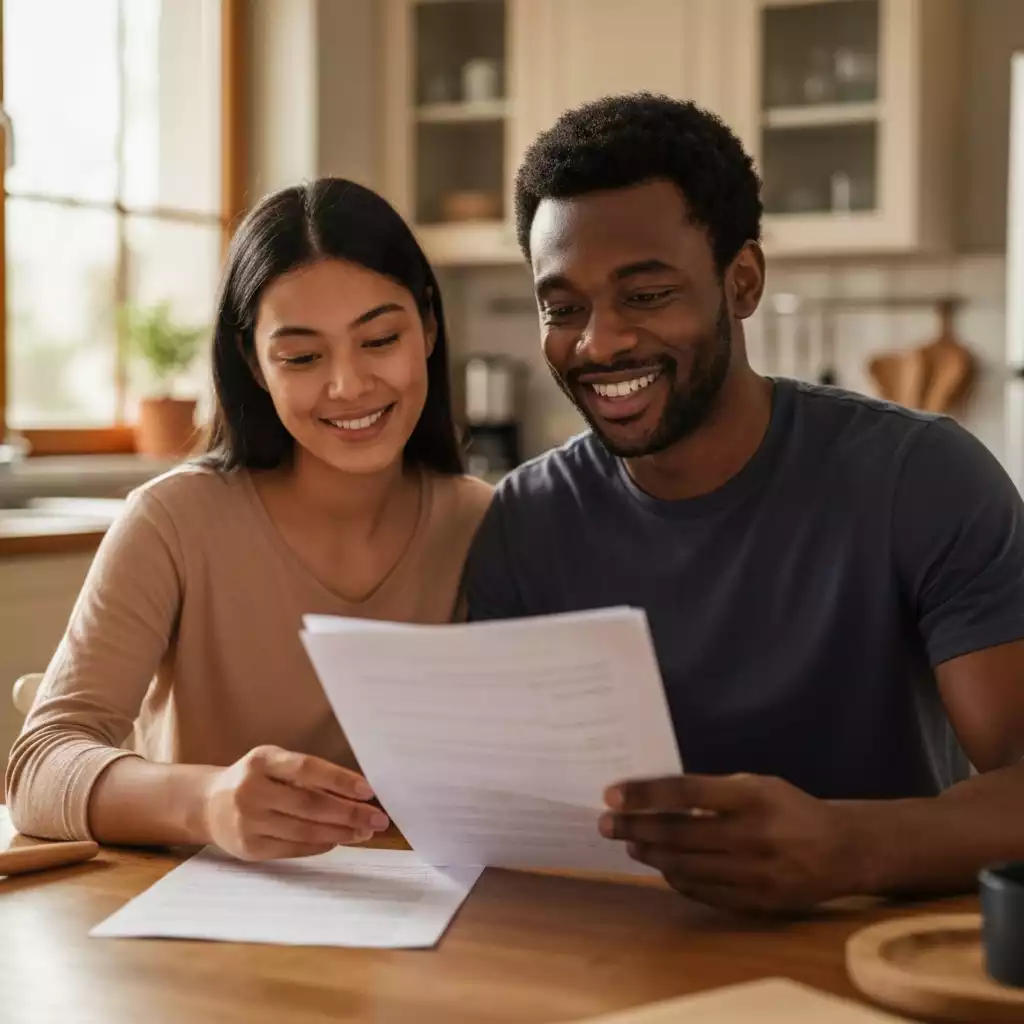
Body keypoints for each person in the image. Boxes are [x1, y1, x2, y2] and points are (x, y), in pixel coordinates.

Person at [464, 94, 1024, 913]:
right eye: (563, 308)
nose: (599, 342)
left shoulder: (921, 476)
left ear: (743, 281)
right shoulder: (524, 519)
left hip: (862, 950)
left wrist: (851, 847)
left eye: (646, 294)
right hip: (606, 959)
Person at [6, 178, 492, 861]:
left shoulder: (483, 524)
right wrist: (206, 802)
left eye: (380, 340)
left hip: (436, 932)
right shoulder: (175, 521)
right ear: (254, 365)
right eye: (302, 356)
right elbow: (37, 768)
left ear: (430, 330)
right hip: (195, 932)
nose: (348, 385)